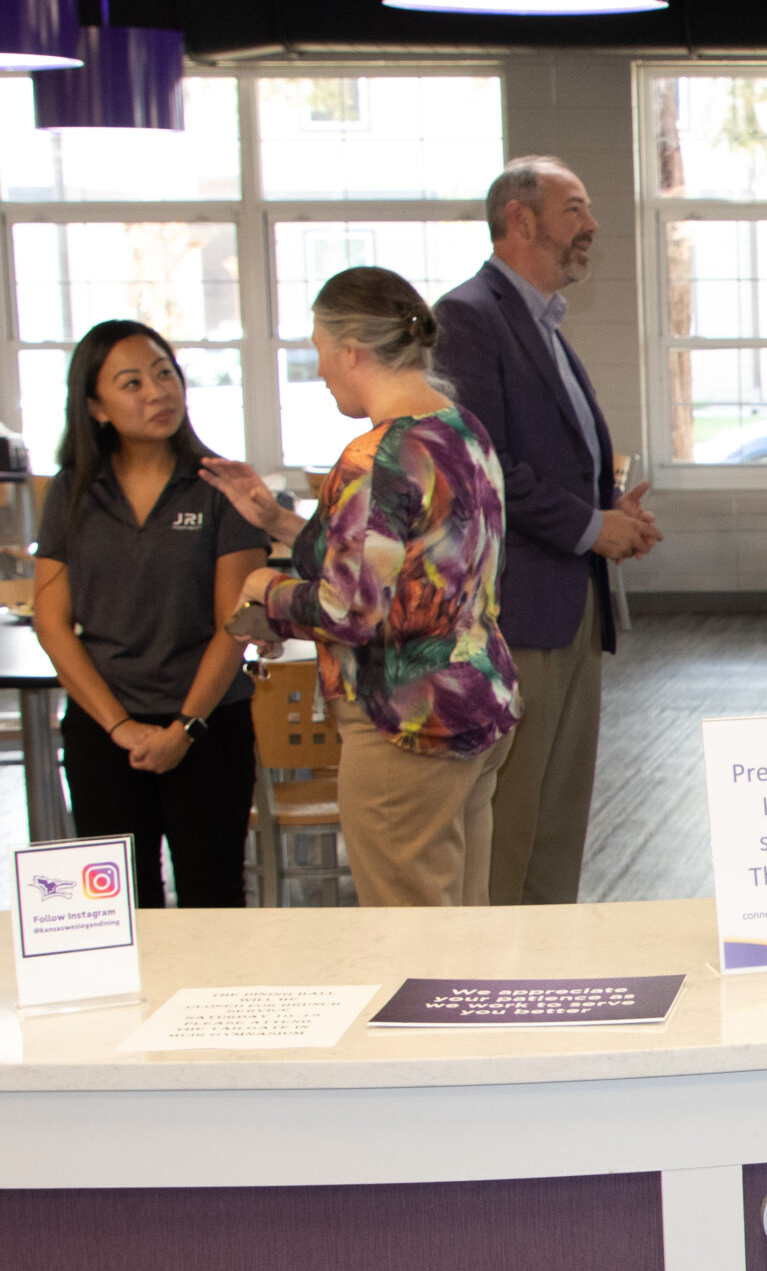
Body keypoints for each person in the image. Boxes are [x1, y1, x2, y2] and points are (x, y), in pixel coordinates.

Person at [204, 268, 518, 909]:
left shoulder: (375, 456)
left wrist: (267, 591)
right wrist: (279, 523)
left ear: (350, 351)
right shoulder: (459, 429)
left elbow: (350, 610)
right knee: (466, 923)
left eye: (319, 350)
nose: (319, 370)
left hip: (404, 723)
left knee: (413, 939)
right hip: (477, 700)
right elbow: (402, 558)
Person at [435, 156, 659, 907]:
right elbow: (486, 461)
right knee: (514, 813)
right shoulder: (468, 315)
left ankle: (554, 960)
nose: (591, 225)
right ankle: (502, 978)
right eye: (575, 208)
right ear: (521, 220)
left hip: (572, 596)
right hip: (520, 605)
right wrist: (593, 526)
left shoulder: (544, 323)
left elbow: (550, 456)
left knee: (559, 814)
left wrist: (612, 514)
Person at [28, 320, 265, 907]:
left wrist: (184, 728)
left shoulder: (220, 487)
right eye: (131, 382)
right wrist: (119, 726)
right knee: (118, 912)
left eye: (164, 373)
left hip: (208, 727)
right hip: (104, 730)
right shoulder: (72, 492)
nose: (157, 392)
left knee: (213, 902)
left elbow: (233, 625)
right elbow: (52, 622)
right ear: (96, 408)